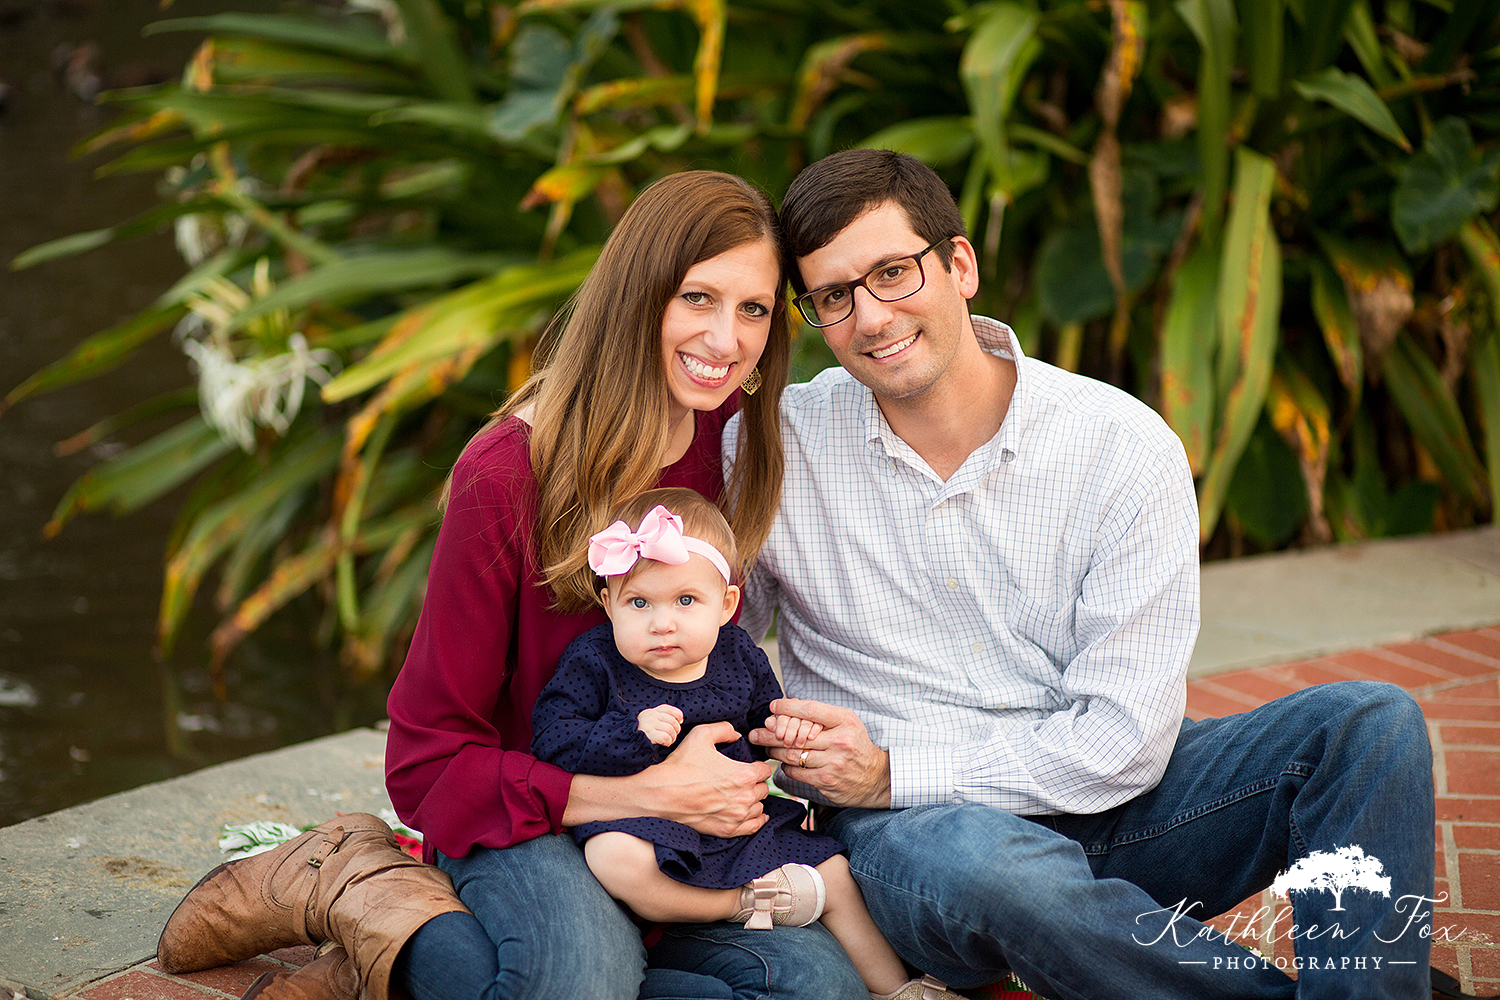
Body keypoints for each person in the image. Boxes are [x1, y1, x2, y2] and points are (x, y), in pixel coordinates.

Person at [729, 148, 1436, 999]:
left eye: (892, 273)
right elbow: (712, 633)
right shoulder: (778, 447)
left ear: (960, 264)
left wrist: (892, 766)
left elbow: (1125, 743)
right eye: (835, 297)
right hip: (915, 841)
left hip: (1113, 808)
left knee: (1367, 725)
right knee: (990, 864)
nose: (872, 318)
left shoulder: (1118, 447)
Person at [156, 170, 869, 1000]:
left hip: (671, 836)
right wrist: (635, 790)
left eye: (753, 309)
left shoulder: (726, 434)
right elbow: (425, 762)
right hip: (526, 816)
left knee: (817, 986)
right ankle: (368, 892)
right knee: (576, 983)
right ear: (637, 297)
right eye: (697, 298)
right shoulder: (504, 475)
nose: (726, 338)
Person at [532, 488, 967, 1000]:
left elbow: (765, 721)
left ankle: (898, 989)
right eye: (639, 602)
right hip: (646, 825)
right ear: (608, 604)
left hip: (737, 825)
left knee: (834, 873)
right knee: (612, 858)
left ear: (727, 605)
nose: (662, 621)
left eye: (686, 600)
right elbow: (555, 739)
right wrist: (631, 734)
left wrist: (788, 734)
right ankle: (741, 902)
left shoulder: (738, 653)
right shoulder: (596, 660)